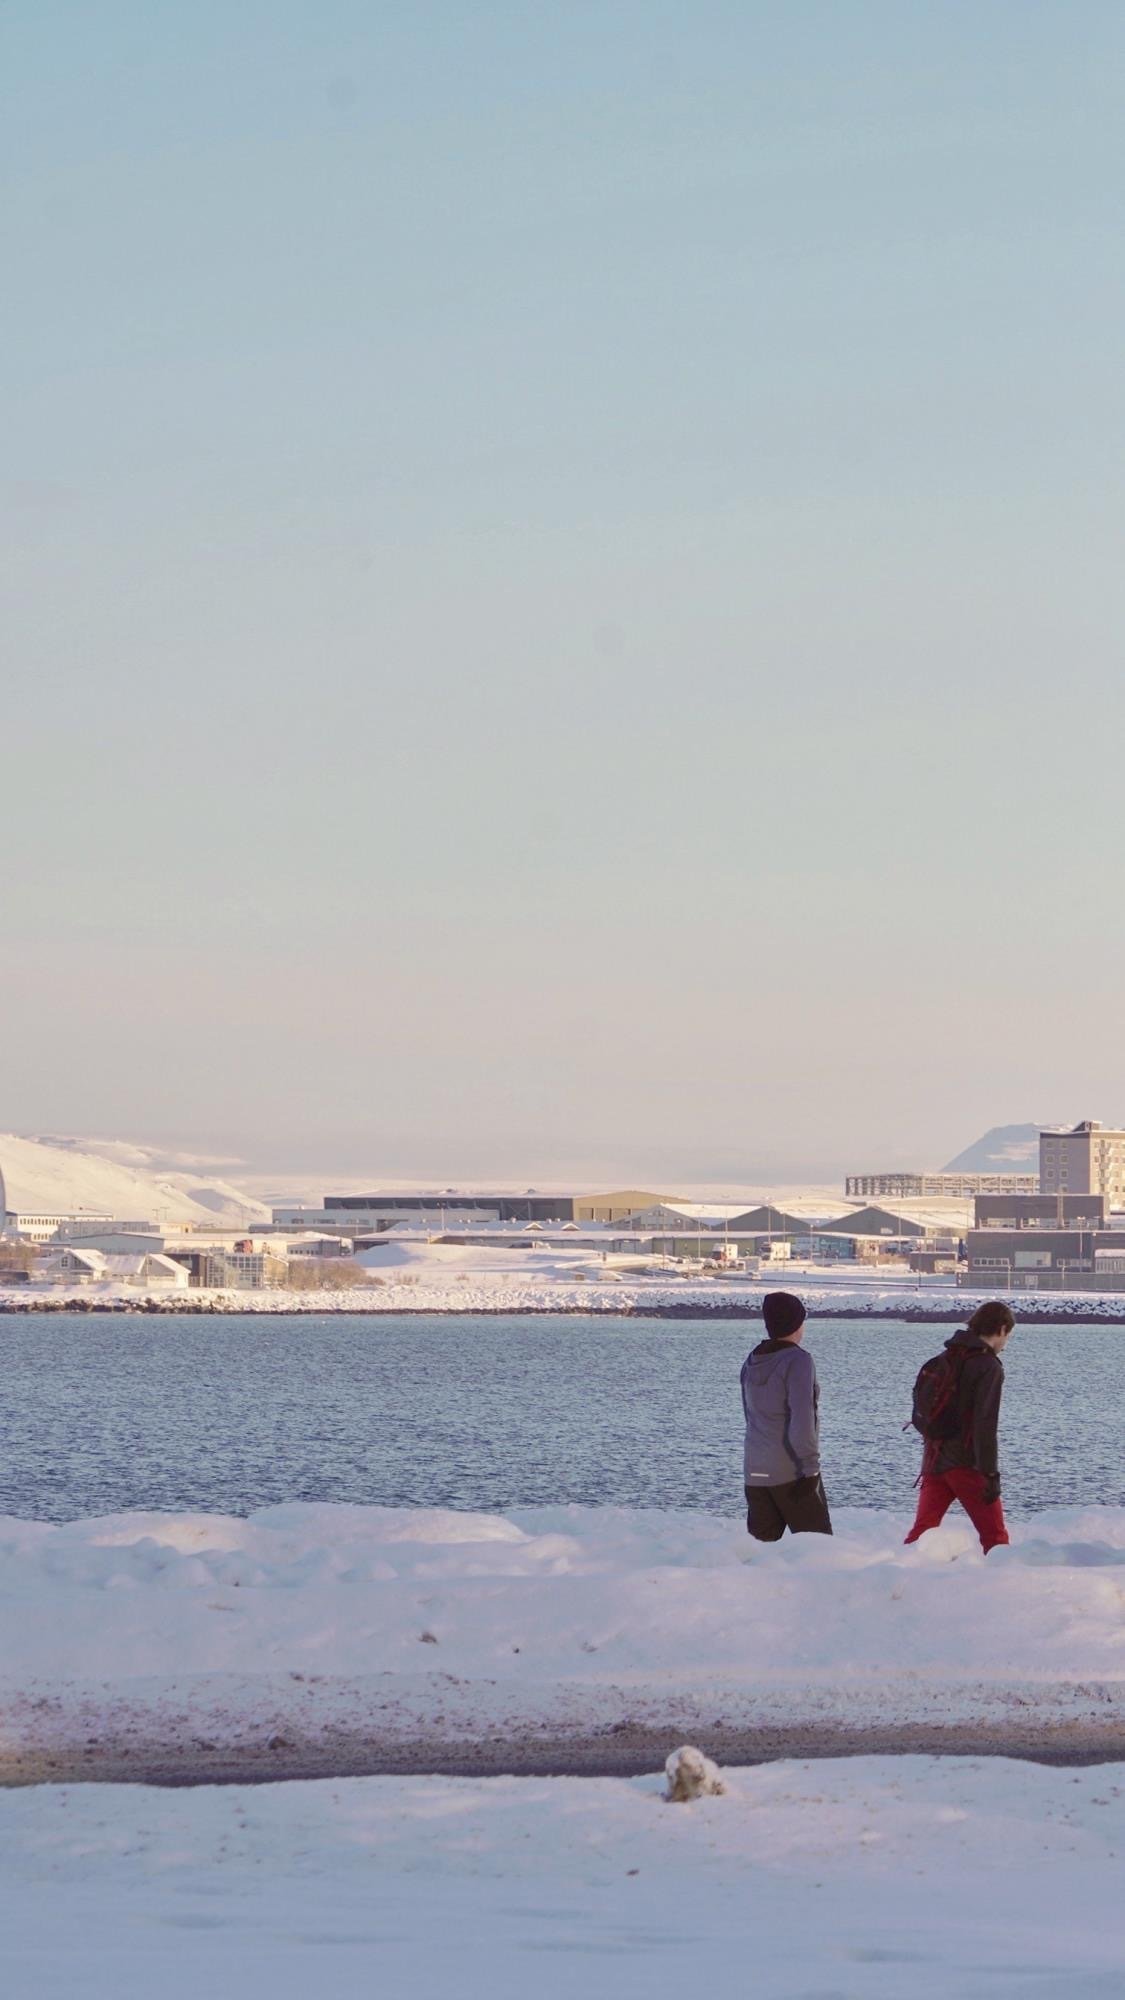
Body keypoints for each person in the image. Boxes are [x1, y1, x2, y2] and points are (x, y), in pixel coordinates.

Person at [904, 1300, 1015, 1554]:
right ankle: (1005, 1589)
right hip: (966, 1464)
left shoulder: (945, 1357)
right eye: (1007, 1336)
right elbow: (984, 1425)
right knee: (995, 1537)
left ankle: (898, 1583)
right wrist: (990, 1474)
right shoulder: (988, 1366)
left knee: (922, 1533)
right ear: (1000, 1329)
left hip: (934, 1458)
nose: (1005, 1344)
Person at [741, 1291, 832, 1539]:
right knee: (818, 1549)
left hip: (755, 1471)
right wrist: (811, 1470)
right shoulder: (798, 1361)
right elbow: (802, 1421)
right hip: (791, 1473)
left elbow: (750, 1417)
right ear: (796, 1323)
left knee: (762, 1554)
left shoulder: (752, 1360)